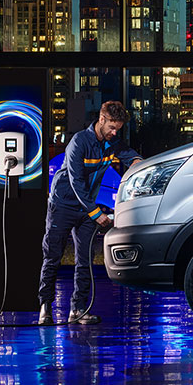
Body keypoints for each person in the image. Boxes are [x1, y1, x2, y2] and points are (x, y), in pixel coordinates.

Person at [38, 102, 142, 325]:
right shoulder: (79, 142)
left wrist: (137, 166)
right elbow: (76, 182)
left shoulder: (112, 142)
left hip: (87, 210)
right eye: (112, 127)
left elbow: (134, 158)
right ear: (101, 120)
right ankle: (45, 308)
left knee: (84, 260)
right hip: (63, 206)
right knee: (52, 257)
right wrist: (96, 213)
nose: (115, 133)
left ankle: (78, 310)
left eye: (118, 129)